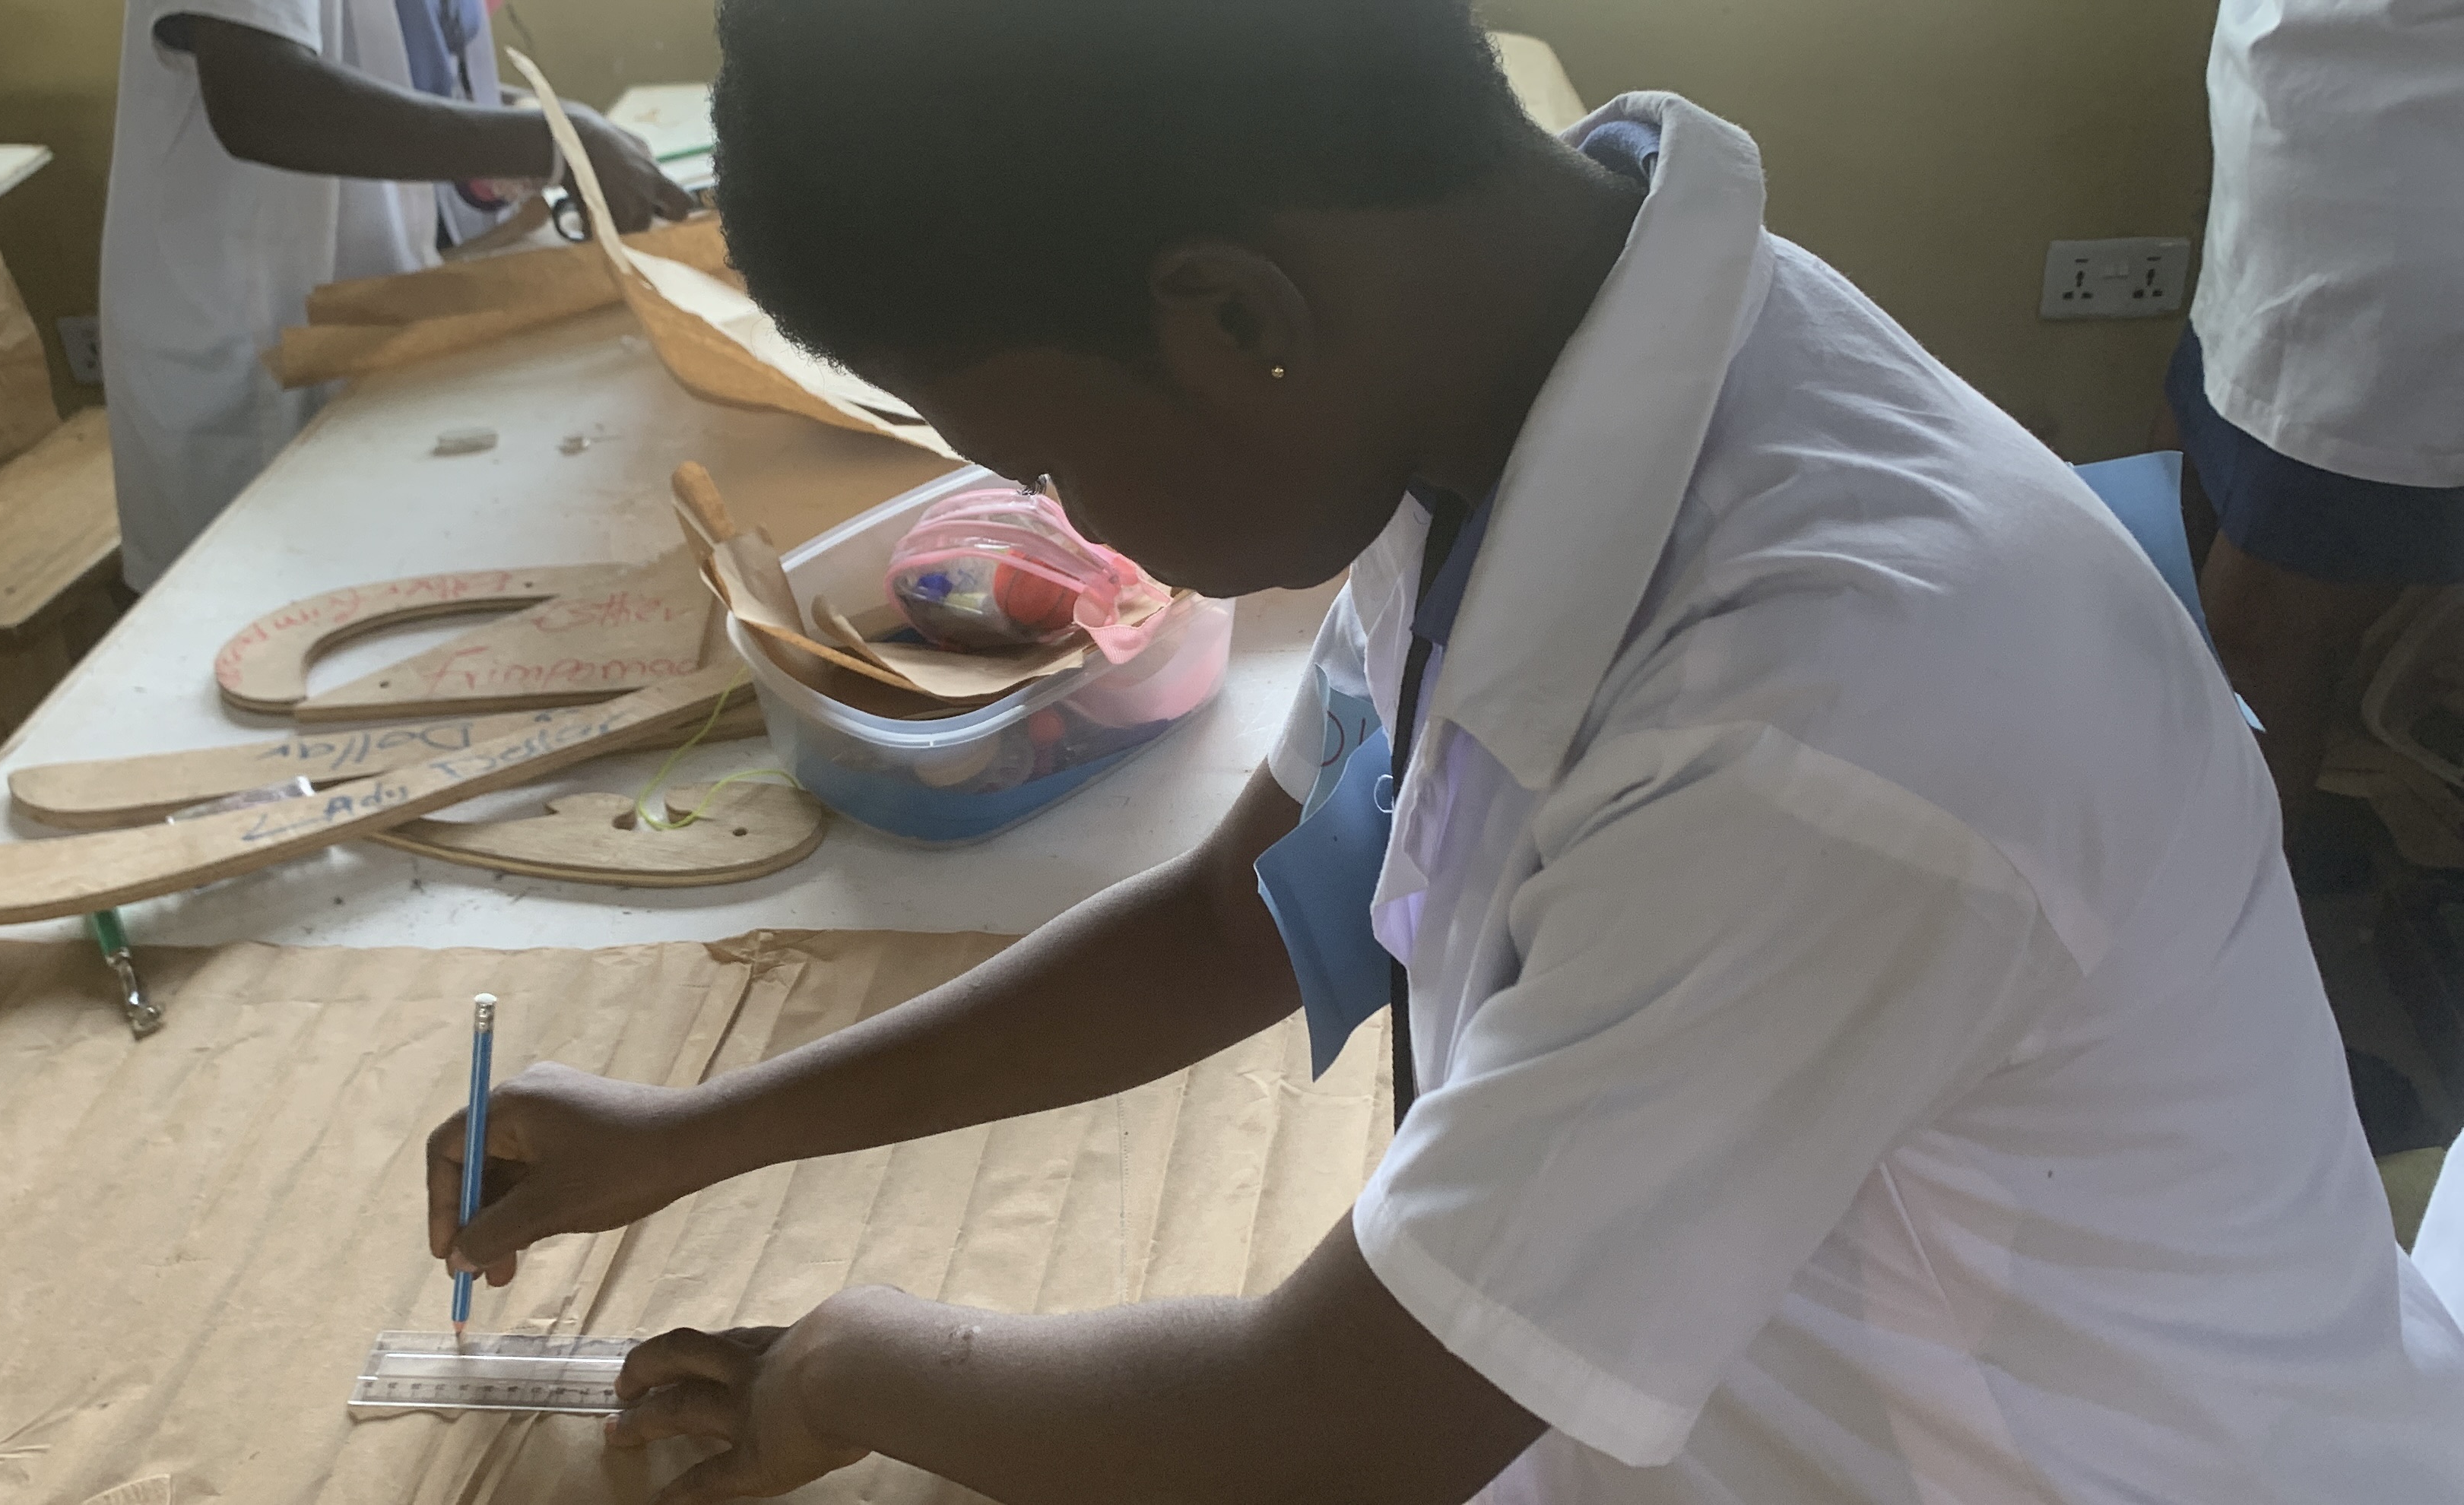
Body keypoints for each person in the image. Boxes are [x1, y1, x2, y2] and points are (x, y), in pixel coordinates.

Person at [425, 2, 2464, 1500]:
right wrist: (693, 1132)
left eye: (1038, 451)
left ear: (1232, 316)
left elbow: (1319, 1439)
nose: (1063, 518)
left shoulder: (1825, 715)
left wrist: (851, 1364)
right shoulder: (1513, 391)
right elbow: (1238, 917)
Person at [99, 0, 689, 589]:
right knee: (257, 607)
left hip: (362, 323)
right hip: (249, 341)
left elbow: (397, 76)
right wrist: (550, 142)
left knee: (382, 579)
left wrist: (542, 121)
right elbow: (259, 99)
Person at [2171, 0, 2464, 874]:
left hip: (2410, 203)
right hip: (2284, 129)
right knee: (2179, 535)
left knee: (2261, 636)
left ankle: (2215, 918)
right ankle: (2159, 828)